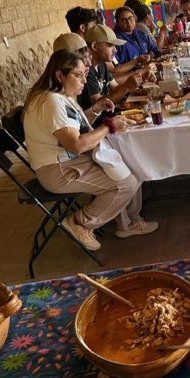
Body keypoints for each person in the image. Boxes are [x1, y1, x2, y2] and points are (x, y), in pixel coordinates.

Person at [22, 50, 158, 250]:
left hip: (68, 162)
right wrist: (108, 126)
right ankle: (80, 223)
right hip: (59, 170)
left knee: (130, 164)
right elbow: (76, 145)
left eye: (84, 74)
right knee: (126, 184)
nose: (84, 81)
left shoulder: (59, 96)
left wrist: (96, 109)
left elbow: (74, 126)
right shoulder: (51, 101)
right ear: (60, 75)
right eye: (78, 75)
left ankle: (127, 222)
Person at [79, 24, 147, 111]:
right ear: (94, 46)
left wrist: (135, 86)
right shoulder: (86, 71)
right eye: (111, 45)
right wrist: (126, 86)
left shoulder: (102, 64)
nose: (115, 50)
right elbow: (99, 103)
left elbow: (115, 87)